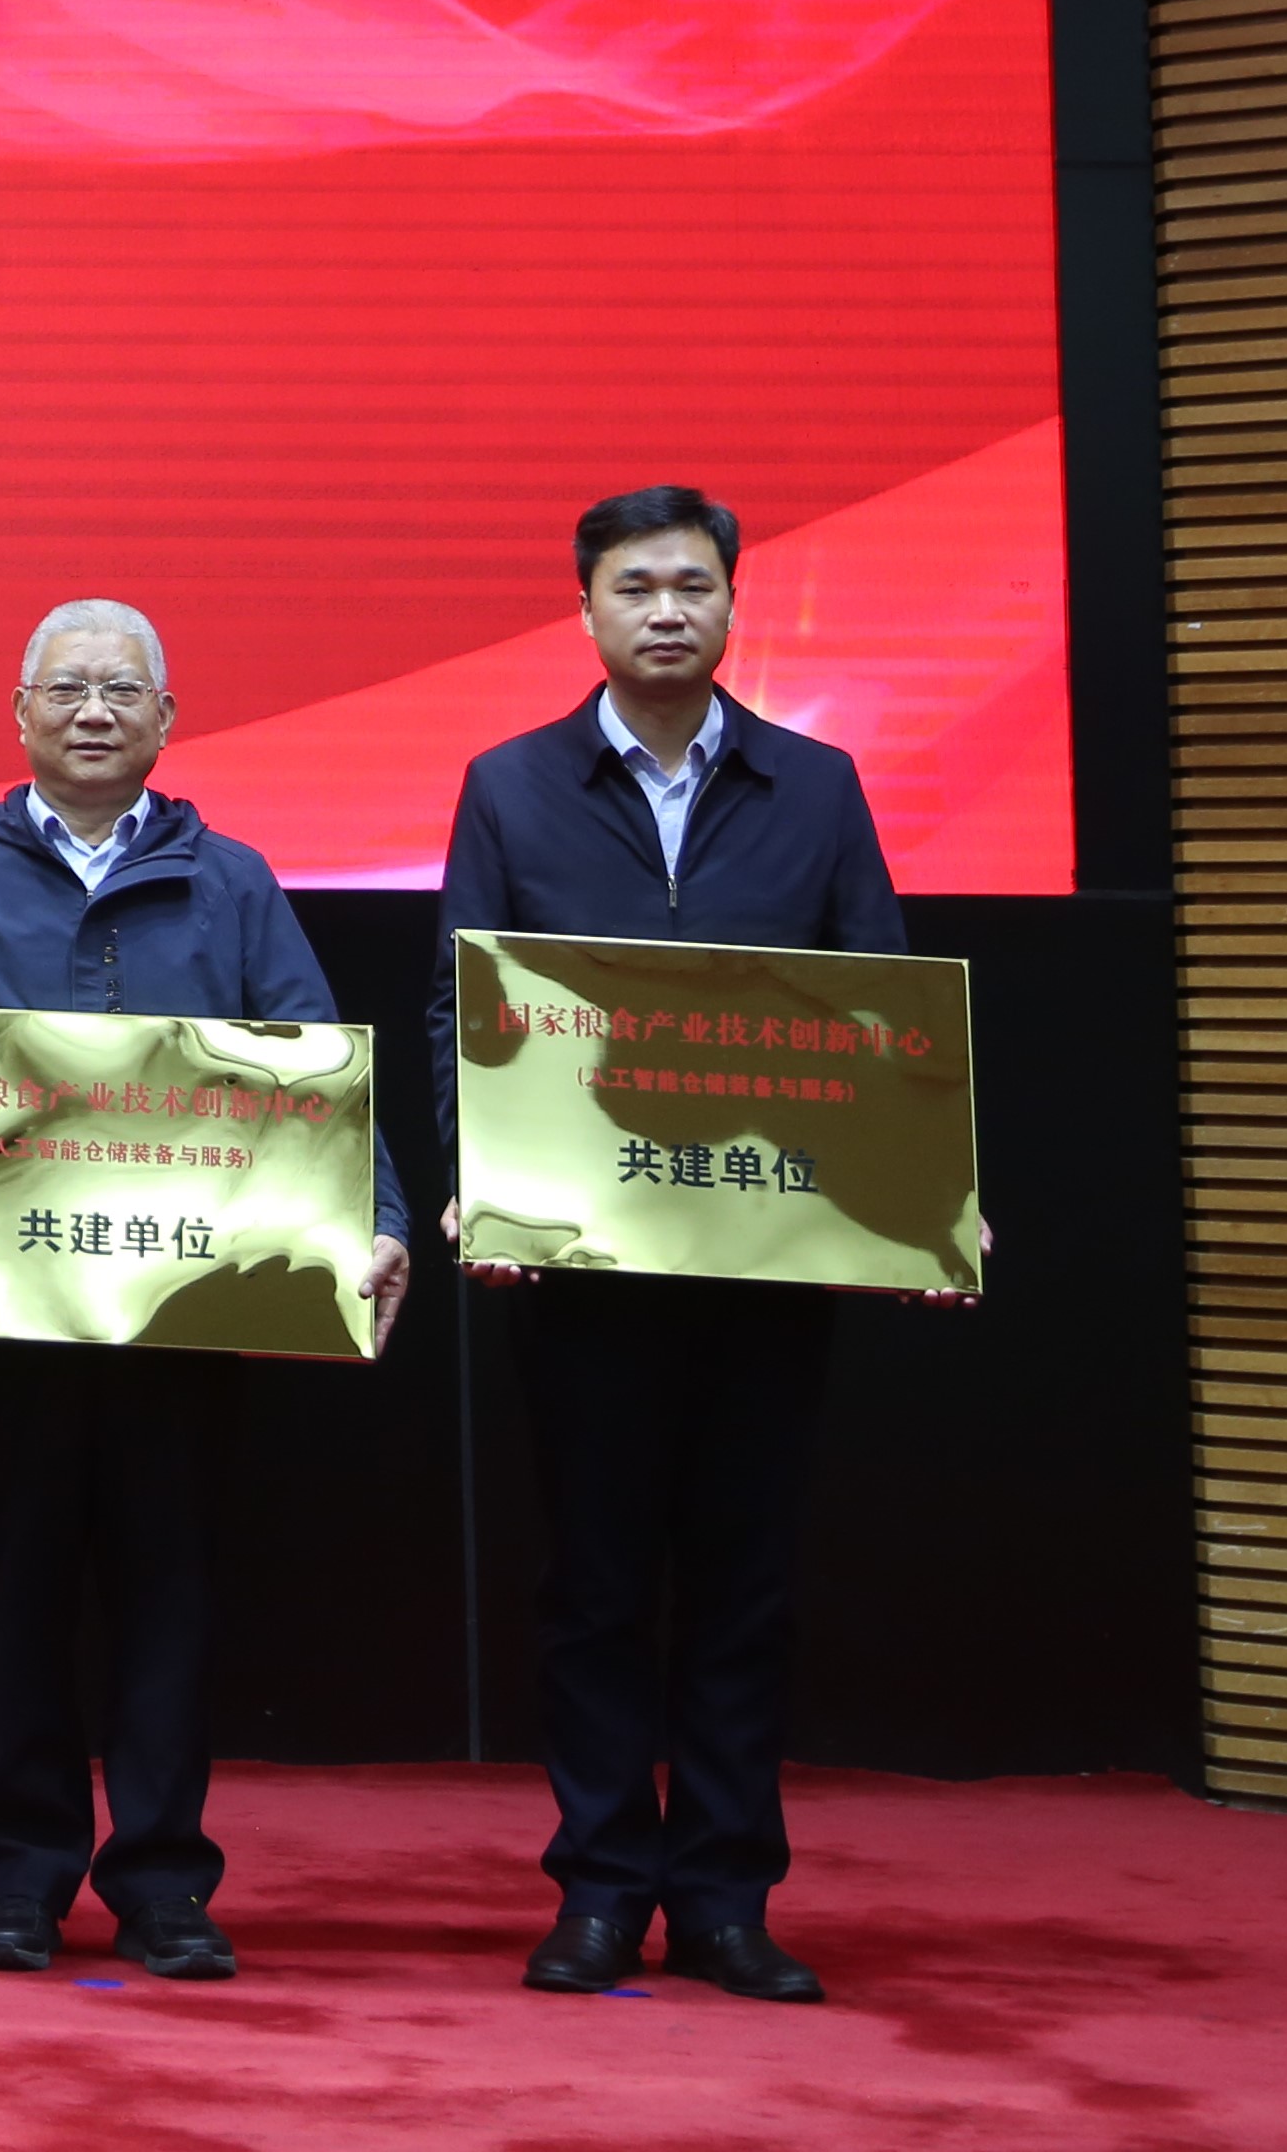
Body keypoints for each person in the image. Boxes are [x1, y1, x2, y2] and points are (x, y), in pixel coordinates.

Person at [0, 600, 407, 1986]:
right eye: (67, 688)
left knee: (169, 1598)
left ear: (166, 719)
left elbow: (320, 1066)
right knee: (13, 1599)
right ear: (19, 713)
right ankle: (15, 1882)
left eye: (122, 690)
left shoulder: (233, 883)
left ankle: (162, 1882)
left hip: (185, 1314)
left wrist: (379, 1220)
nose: (94, 710)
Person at [432, 486, 934, 2010]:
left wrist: (924, 1193)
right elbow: (464, 1011)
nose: (667, 610)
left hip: (766, 1261)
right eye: (636, 587)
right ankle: (599, 1892)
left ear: (732, 606)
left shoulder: (816, 786)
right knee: (594, 1591)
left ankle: (725, 1900)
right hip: (583, 1267)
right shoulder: (512, 786)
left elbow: (884, 1010)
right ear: (586, 610)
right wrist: (480, 1187)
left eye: (693, 586)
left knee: (742, 1588)